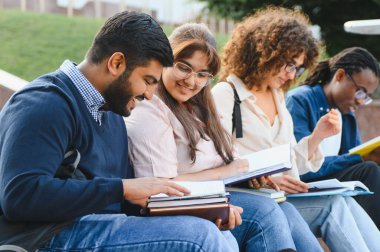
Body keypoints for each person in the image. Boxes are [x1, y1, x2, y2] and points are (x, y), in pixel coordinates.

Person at [0, 11, 239, 251]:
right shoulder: (44, 104)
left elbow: (120, 201)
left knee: (213, 231)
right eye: (147, 80)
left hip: (98, 225)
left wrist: (198, 210)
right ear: (116, 63)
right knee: (201, 238)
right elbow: (20, 196)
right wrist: (121, 188)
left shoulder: (111, 112)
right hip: (45, 236)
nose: (149, 94)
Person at [126, 22, 324, 252]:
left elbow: (232, 158)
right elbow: (159, 188)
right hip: (176, 209)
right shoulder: (151, 108)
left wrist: (249, 176)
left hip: (219, 193)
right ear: (166, 60)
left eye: (202, 74)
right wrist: (227, 174)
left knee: (283, 209)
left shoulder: (200, 105)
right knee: (264, 212)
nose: (191, 81)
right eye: (184, 67)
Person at [211, 6, 380, 252]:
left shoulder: (278, 98)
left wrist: (317, 138)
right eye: (289, 64)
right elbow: (214, 164)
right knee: (334, 205)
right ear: (265, 51)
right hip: (248, 201)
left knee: (340, 203)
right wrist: (266, 177)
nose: (291, 74)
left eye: (298, 68)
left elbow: (290, 161)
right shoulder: (226, 95)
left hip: (281, 198)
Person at [286, 47, 380, 228]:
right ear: (340, 76)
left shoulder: (346, 114)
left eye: (366, 97)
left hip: (330, 185)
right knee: (369, 170)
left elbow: (353, 158)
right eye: (360, 92)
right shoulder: (300, 100)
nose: (361, 101)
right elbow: (299, 164)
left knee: (371, 168)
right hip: (301, 185)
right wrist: (359, 158)